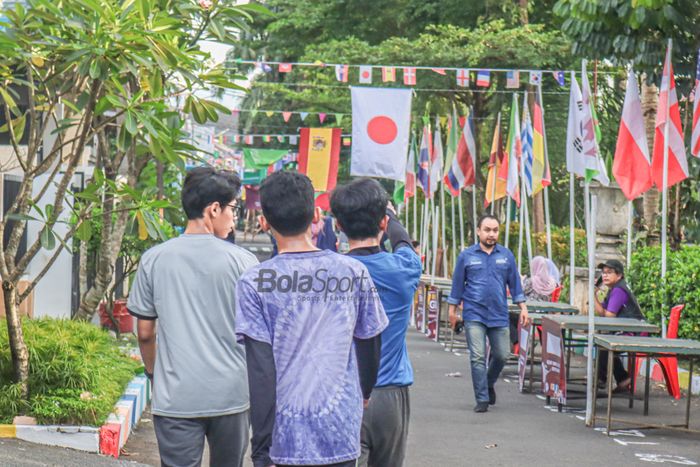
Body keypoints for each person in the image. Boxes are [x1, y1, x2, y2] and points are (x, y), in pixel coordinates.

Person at [235, 171, 388, 467]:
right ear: (315, 214)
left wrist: (261, 444)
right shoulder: (352, 272)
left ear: (264, 219)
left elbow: (261, 369)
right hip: (340, 429)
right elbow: (370, 340)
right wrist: (364, 393)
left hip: (284, 438)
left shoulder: (255, 281)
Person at [127, 167, 258, 467]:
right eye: (233, 209)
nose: (234, 218)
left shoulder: (154, 259)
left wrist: (153, 374)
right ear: (213, 209)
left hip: (176, 397)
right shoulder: (244, 262)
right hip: (231, 395)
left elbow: (145, 332)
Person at [330, 179, 422, 467]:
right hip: (390, 395)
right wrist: (391, 216)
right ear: (382, 222)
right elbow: (403, 242)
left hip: (342, 391)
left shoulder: (329, 274)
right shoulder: (404, 269)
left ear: (339, 226)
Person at [447, 214, 528, 413]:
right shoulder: (466, 256)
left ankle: (489, 382)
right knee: (477, 356)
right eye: (487, 230)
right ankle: (482, 398)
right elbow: (457, 285)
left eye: (495, 230)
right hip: (474, 313)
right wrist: (452, 311)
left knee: (502, 354)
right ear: (478, 231)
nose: (491, 234)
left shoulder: (506, 255)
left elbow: (515, 285)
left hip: (499, 314)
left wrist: (523, 307)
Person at [594, 259, 644, 392]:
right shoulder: (613, 289)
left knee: (604, 344)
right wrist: (593, 295)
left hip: (635, 332)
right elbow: (602, 313)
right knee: (602, 342)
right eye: (603, 273)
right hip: (626, 329)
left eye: (609, 272)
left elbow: (609, 316)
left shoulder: (618, 290)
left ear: (619, 275)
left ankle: (602, 379)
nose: (605, 276)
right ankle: (622, 378)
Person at [510, 256, 560, 347]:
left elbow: (519, 292)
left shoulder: (532, 281)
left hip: (527, 314)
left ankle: (517, 340)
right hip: (546, 315)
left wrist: (522, 280)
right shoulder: (552, 283)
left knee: (507, 316)